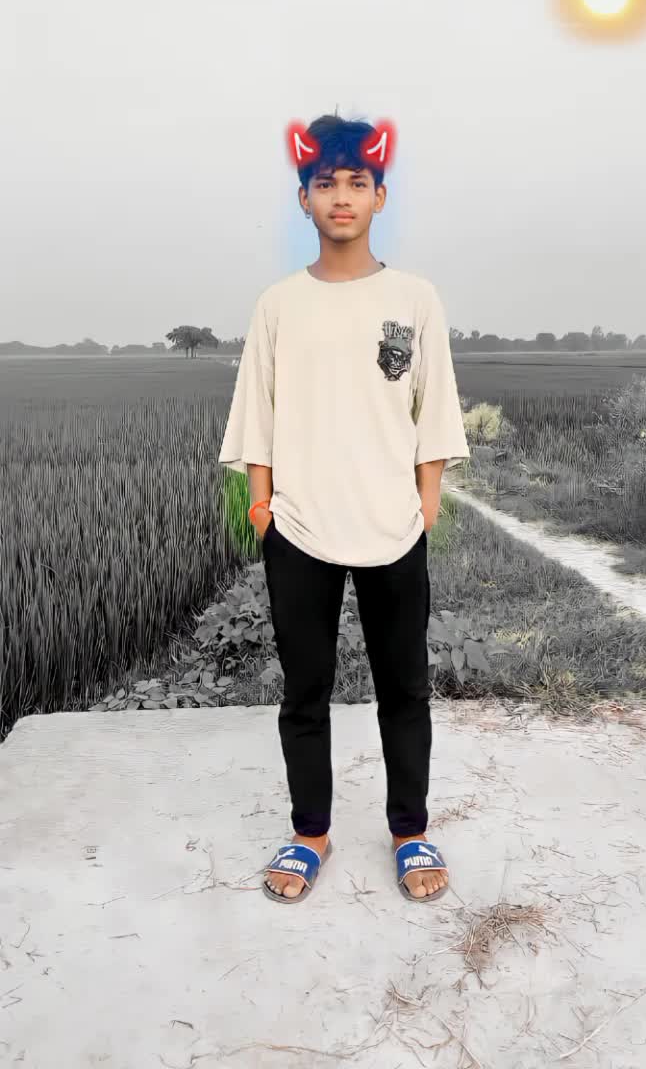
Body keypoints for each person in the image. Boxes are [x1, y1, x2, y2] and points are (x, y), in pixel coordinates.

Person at [218, 112, 469, 904]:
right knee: (305, 690)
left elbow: (434, 404)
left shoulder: (414, 298)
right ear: (303, 198)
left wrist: (426, 502)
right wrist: (263, 503)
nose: (341, 197)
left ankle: (410, 830)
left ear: (380, 195)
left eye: (357, 182)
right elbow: (258, 406)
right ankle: (311, 832)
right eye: (324, 183)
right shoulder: (279, 304)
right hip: (298, 525)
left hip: (394, 524)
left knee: (405, 688)